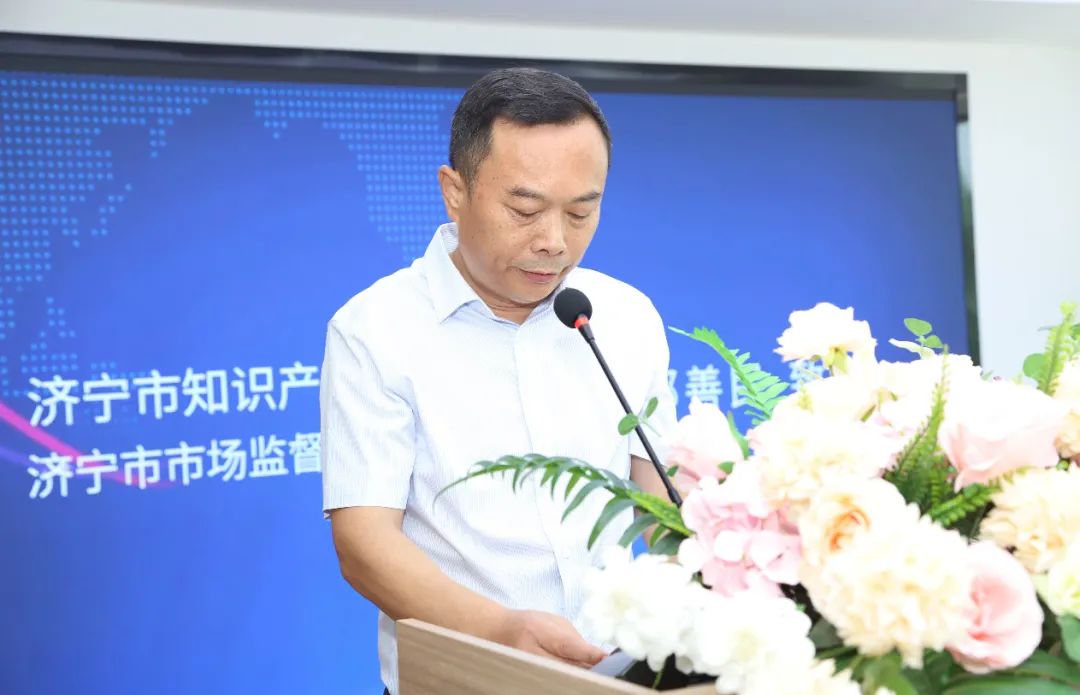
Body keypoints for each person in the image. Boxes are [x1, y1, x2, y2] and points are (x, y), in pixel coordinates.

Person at [320, 67, 677, 694]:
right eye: (525, 209)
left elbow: (663, 505)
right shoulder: (375, 329)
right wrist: (499, 632)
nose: (554, 242)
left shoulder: (624, 316)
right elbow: (364, 543)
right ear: (454, 191)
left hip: (620, 676)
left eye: (581, 211)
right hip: (462, 680)